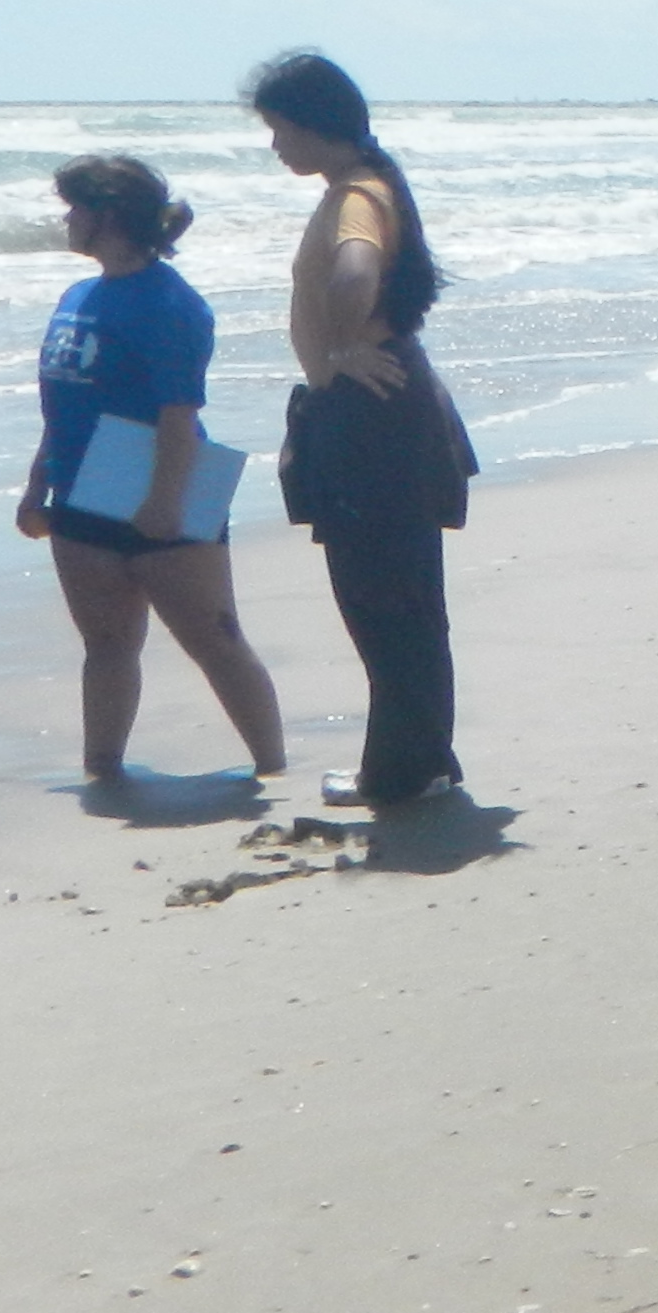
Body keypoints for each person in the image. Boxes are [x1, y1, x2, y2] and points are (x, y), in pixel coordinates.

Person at [17, 154, 286, 792]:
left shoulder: (172, 304)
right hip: (83, 487)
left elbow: (177, 412)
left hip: (169, 483)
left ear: (106, 215)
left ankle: (274, 768)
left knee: (214, 637)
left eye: (75, 208)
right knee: (107, 644)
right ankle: (103, 768)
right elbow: (62, 402)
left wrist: (164, 504)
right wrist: (36, 486)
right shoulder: (78, 295)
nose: (66, 219)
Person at [250, 52, 477, 806]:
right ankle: (422, 762)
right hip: (390, 406)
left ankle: (403, 774)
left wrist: (344, 347)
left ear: (317, 124)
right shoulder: (372, 184)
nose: (275, 145)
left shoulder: (356, 196)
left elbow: (354, 273)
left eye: (280, 129)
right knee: (404, 599)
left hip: (372, 413)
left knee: (382, 600)